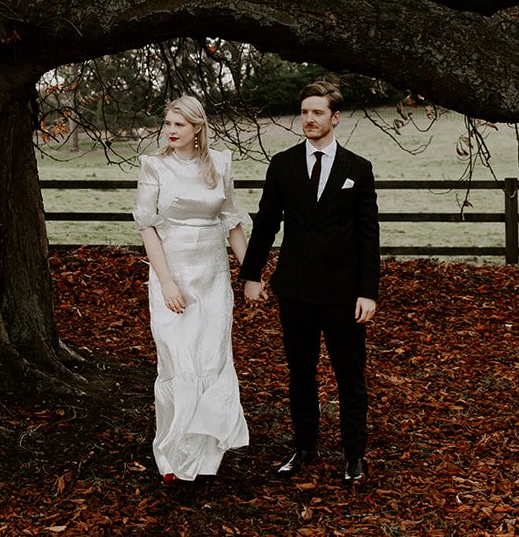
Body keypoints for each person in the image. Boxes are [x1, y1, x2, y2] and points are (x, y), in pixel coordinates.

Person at [240, 80, 380, 485]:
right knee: (300, 374)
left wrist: (368, 291)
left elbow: (368, 233)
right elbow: (266, 222)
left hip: (342, 293)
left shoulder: (358, 169)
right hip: (296, 290)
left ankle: (354, 456)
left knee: (350, 377)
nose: (309, 119)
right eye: (304, 112)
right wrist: (251, 274)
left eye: (317, 112)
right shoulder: (282, 164)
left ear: (335, 118)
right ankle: (304, 448)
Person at [133, 95, 252, 482]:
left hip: (214, 273)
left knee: (211, 359)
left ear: (197, 128)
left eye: (179, 125)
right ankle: (171, 455)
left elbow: (232, 220)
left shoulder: (220, 163)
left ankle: (205, 455)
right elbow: (147, 226)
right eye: (167, 123)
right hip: (174, 271)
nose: (170, 131)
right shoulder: (154, 166)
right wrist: (166, 281)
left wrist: (251, 273)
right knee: (178, 359)